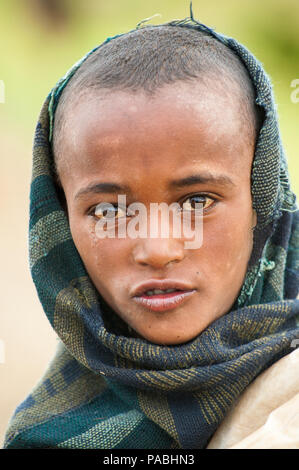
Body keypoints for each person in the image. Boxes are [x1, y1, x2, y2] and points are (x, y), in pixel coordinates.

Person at [3, 13, 299, 449]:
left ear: (262, 200)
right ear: (60, 219)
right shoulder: (44, 437)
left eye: (197, 202)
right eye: (108, 210)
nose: (158, 250)